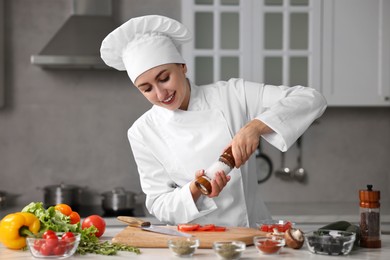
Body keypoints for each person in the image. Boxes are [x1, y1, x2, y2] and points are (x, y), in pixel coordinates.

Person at [100, 15, 327, 227]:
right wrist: (196, 189)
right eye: (147, 88)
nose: (161, 94)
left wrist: (255, 126)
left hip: (252, 234)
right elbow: (158, 204)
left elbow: (311, 98)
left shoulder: (232, 95)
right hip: (196, 243)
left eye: (164, 78)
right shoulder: (142, 132)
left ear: (182, 66)